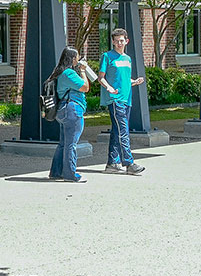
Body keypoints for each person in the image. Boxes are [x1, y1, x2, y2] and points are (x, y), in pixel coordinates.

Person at [98, 28, 146, 175]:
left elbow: (124, 80)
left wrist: (134, 82)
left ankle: (112, 163)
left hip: (127, 99)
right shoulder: (107, 56)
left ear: (127, 41)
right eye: (116, 41)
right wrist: (110, 88)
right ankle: (129, 163)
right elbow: (101, 78)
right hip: (115, 99)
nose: (119, 43)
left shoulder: (127, 59)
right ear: (112, 41)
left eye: (122, 40)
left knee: (116, 130)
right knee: (123, 131)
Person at [49, 47, 93, 182]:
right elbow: (85, 87)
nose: (78, 59)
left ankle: (56, 172)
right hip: (72, 110)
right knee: (71, 144)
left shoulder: (59, 72)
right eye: (77, 57)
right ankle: (70, 174)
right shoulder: (69, 73)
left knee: (64, 143)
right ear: (72, 59)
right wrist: (83, 71)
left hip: (63, 110)